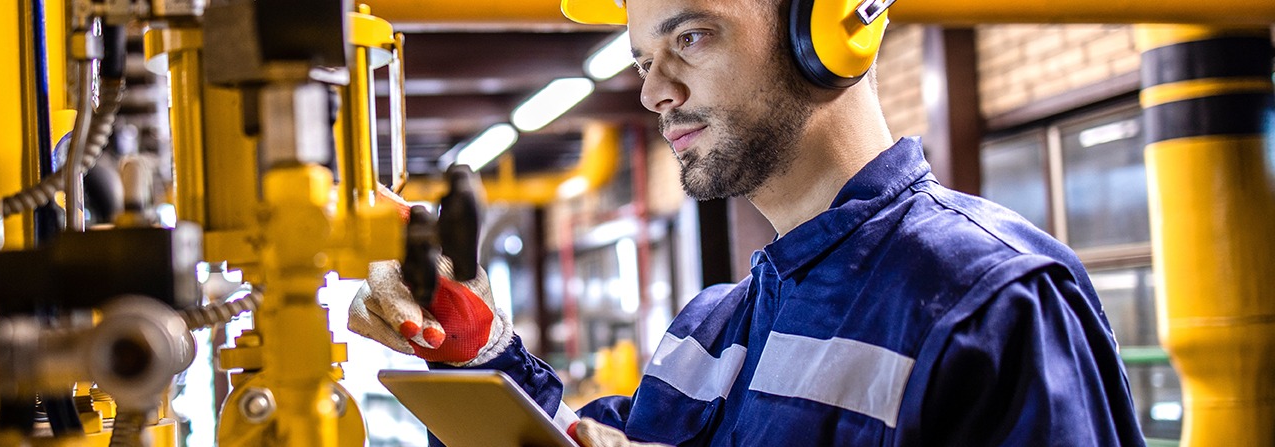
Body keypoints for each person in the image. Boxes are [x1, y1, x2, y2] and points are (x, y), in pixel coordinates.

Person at [348, 0, 1147, 444]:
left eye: (690, 38)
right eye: (640, 61)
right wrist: (473, 346)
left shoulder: (987, 300)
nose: (654, 91)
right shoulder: (710, 332)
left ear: (825, 29)